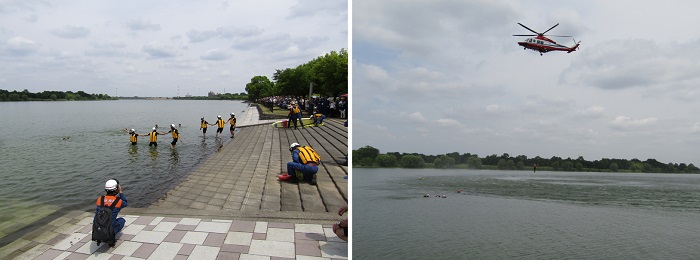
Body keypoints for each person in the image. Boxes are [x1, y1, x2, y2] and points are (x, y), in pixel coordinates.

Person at [94, 179, 127, 245]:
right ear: (116, 189)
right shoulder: (118, 201)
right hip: (109, 230)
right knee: (122, 220)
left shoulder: (100, 199)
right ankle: (111, 237)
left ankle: (102, 236)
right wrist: (121, 192)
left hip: (97, 229)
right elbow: (125, 203)